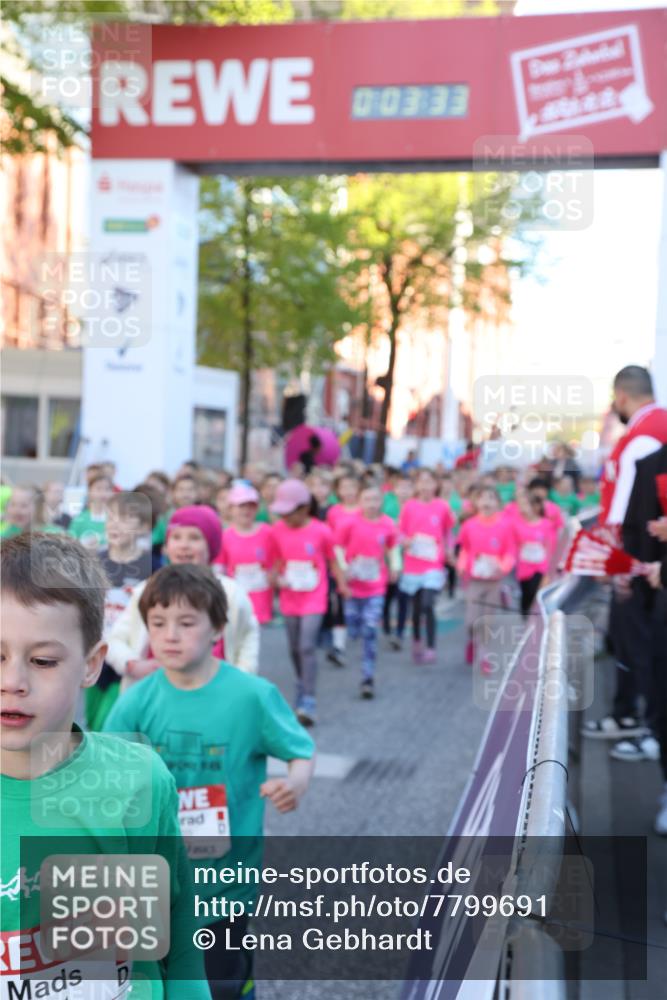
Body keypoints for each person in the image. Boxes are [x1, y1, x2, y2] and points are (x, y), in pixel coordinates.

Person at [0, 533, 210, 998]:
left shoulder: (139, 780)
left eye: (43, 660)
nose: (13, 681)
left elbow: (178, 932)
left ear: (92, 665)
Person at [104, 563, 314, 1000]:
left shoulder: (252, 695)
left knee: (219, 983)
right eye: (157, 623)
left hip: (226, 880)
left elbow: (300, 751)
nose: (170, 636)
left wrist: (294, 784)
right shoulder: (136, 702)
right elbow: (105, 778)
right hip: (155, 880)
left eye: (186, 623)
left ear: (218, 628)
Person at [583, 366, 667, 741]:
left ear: (621, 396)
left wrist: (612, 559)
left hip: (640, 558)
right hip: (649, 556)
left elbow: (624, 510)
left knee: (637, 642)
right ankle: (639, 720)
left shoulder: (642, 436)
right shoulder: (652, 428)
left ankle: (642, 724)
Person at [105, 505, 259, 688]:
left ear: (211, 546)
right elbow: (115, 638)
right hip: (156, 689)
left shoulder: (231, 593)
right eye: (176, 537)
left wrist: (240, 680)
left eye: (194, 538)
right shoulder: (147, 590)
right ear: (167, 546)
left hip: (217, 690)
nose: (184, 545)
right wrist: (132, 664)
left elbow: (247, 639)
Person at [269, 479, 349, 726]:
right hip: (290, 596)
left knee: (306, 646)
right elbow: (275, 561)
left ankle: (308, 699)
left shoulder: (321, 530)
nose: (285, 517)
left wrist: (342, 584)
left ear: (304, 508)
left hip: (314, 596)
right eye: (281, 513)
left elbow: (333, 560)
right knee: (294, 648)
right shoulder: (277, 530)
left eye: (289, 512)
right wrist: (274, 578)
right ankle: (300, 682)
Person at [85, 491, 154, 731]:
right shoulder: (94, 561)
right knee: (92, 720)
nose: (115, 524)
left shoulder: (152, 565)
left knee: (111, 722)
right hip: (95, 650)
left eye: (125, 519)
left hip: (128, 653)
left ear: (143, 527)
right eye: (111, 517)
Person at [336, 482, 399, 698]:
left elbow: (393, 547)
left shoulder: (387, 524)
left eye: (375, 499)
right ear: (359, 501)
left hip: (376, 585)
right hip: (353, 585)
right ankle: (353, 631)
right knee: (353, 625)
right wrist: (343, 568)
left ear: (382, 501)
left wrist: (395, 566)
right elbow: (338, 547)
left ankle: (367, 677)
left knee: (370, 629)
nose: (371, 504)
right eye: (367, 499)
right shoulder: (349, 523)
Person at [398, 468, 454, 664]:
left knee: (428, 603)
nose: (426, 486)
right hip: (413, 564)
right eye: (422, 482)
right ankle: (417, 640)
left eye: (430, 482)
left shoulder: (442, 506)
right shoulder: (409, 506)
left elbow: (448, 532)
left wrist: (449, 549)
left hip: (433, 564)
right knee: (416, 608)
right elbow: (400, 532)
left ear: (436, 485)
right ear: (416, 485)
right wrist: (405, 541)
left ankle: (431, 646)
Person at [457, 485, 515, 672]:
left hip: (494, 581)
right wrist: (461, 565)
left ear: (498, 503)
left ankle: (483, 653)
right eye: (482, 498)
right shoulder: (469, 525)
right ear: (476, 502)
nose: (487, 502)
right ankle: (473, 641)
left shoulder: (505, 526)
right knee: (471, 621)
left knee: (487, 620)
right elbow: (464, 549)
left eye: (491, 498)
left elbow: (510, 552)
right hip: (474, 580)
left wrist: (503, 567)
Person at [214, 483, 276, 625]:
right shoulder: (225, 536)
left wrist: (274, 574)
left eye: (251, 506)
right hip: (236, 598)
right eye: (241, 506)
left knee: (257, 632)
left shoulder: (267, 532)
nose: (246, 510)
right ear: (231, 508)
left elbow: (277, 559)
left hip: (261, 597)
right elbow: (219, 567)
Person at [324, 473, 361, 666]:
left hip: (361, 564)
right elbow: (328, 537)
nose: (348, 491)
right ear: (338, 491)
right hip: (338, 563)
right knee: (338, 602)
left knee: (357, 603)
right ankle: (338, 646)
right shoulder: (334, 512)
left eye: (352, 487)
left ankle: (357, 631)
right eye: (344, 487)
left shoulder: (364, 509)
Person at [510, 489, 555, 617]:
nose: (523, 508)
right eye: (521, 504)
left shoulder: (546, 524)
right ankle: (525, 617)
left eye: (526, 504)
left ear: (535, 506)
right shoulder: (516, 524)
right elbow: (513, 543)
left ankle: (534, 617)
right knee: (526, 593)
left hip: (540, 565)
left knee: (535, 591)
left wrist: (548, 566)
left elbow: (550, 545)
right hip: (523, 565)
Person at [382, 472, 414, 649]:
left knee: (403, 597)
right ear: (394, 490)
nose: (404, 491)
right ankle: (386, 627)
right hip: (389, 558)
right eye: (401, 487)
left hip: (410, 559)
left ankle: (399, 633)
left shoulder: (416, 508)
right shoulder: (388, 507)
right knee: (388, 595)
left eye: (408, 487)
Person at [69, 472, 113, 551]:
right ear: (89, 491)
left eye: (107, 489)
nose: (103, 493)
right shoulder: (79, 519)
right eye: (98, 488)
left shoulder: (116, 519)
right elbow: (70, 546)